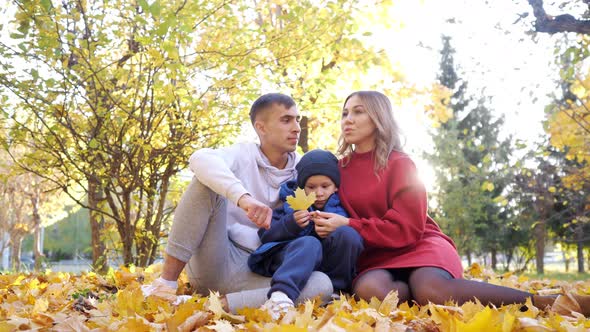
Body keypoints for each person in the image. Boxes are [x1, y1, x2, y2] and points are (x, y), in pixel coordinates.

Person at [310, 90, 590, 316]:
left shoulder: (400, 163)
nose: (348, 119)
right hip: (377, 256)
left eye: (358, 112)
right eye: (345, 113)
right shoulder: (337, 169)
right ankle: (416, 289)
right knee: (372, 291)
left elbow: (408, 227)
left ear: (378, 118)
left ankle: (546, 302)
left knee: (432, 290)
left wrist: (349, 224)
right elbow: (310, 194)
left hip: (418, 244)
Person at [142, 93, 333, 312]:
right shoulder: (242, 154)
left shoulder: (304, 168)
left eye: (297, 119)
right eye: (286, 120)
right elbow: (199, 159)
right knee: (205, 182)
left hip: (264, 273)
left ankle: (214, 305)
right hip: (219, 259)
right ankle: (165, 285)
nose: (297, 127)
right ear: (261, 128)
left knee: (322, 284)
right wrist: (244, 199)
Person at [247, 149, 363, 317]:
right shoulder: (290, 205)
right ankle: (281, 295)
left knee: (348, 234)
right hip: (291, 258)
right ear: (302, 187)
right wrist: (290, 224)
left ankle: (336, 290)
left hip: (326, 266)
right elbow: (266, 235)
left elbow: (353, 242)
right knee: (310, 242)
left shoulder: (342, 210)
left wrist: (334, 230)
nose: (319, 193)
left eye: (325, 186)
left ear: (336, 186)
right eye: (311, 187)